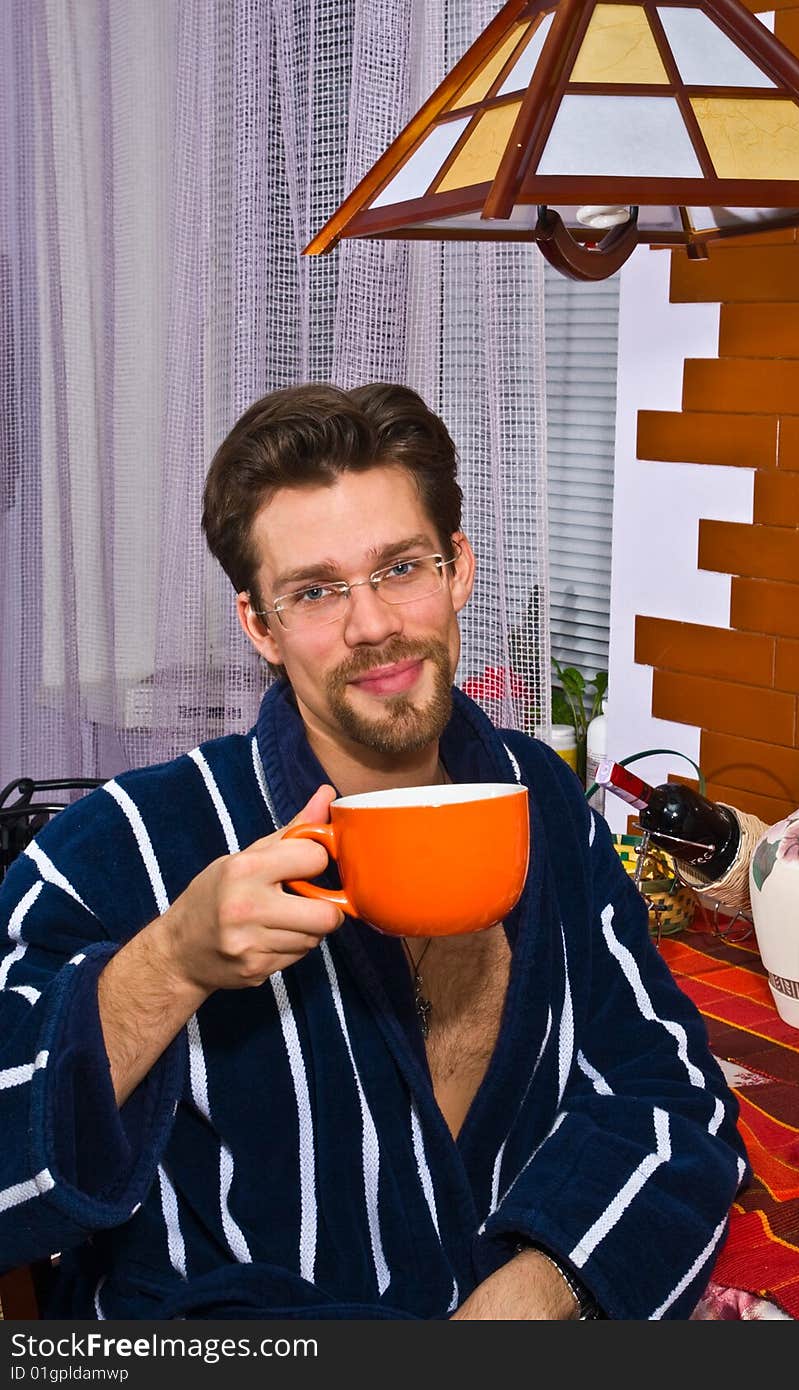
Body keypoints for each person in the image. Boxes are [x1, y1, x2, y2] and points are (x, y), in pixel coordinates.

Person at [0, 383, 750, 1320]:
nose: (373, 624)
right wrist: (171, 962)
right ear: (258, 626)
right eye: (314, 591)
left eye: (401, 568)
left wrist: (542, 1289)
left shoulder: (545, 801)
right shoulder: (121, 845)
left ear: (459, 569)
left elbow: (675, 1097)